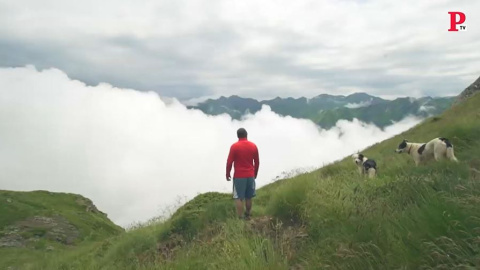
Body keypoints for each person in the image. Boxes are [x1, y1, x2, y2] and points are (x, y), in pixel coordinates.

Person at [226, 128, 259, 220]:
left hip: (239, 176)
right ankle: (248, 214)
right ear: (246, 135)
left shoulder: (234, 147)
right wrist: (255, 173)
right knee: (249, 196)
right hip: (250, 175)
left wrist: (227, 173)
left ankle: (240, 218)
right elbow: (257, 162)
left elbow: (229, 162)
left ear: (238, 136)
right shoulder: (253, 146)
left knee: (238, 197)